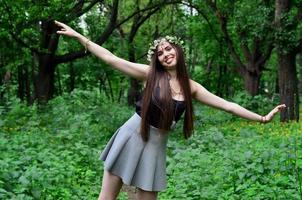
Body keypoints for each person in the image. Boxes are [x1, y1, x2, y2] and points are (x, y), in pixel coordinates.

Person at [55, 20, 286, 200]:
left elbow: (228, 105)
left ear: (177, 49)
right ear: (157, 60)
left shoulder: (191, 87)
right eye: (160, 53)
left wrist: (262, 118)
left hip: (155, 148)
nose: (166, 54)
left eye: (168, 48)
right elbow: (111, 58)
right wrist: (79, 36)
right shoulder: (150, 74)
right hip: (130, 137)